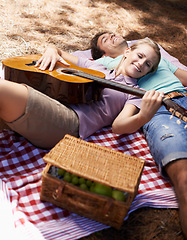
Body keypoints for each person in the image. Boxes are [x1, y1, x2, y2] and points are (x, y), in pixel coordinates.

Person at [77, 32, 187, 239]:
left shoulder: (154, 56)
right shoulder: (107, 63)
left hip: (183, 96)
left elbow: (184, 77)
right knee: (183, 178)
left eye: (148, 63)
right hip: (159, 111)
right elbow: (71, 59)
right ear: (103, 52)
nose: (111, 35)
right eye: (104, 39)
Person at [0, 38, 162, 151]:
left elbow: (118, 126)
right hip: (51, 101)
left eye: (148, 64)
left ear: (149, 71)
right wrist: (51, 51)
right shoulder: (97, 68)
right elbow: (59, 52)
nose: (141, 63)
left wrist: (144, 117)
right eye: (140, 56)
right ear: (128, 52)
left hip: (68, 122)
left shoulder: (134, 93)